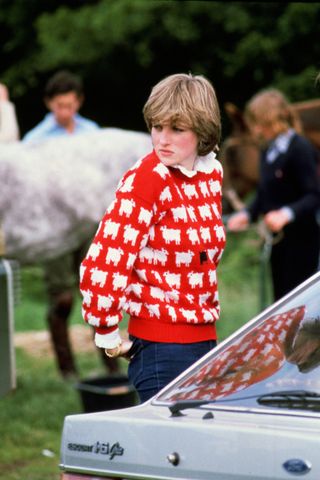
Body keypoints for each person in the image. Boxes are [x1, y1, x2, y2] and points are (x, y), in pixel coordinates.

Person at [80, 72, 226, 403]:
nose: (162, 139)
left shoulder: (211, 173)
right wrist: (107, 332)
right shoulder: (147, 178)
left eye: (176, 129)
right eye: (157, 127)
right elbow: (105, 259)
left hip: (205, 342)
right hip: (160, 349)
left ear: (202, 131)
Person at [22, 70, 119, 379]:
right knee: (62, 298)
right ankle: (68, 372)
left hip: (88, 224)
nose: (65, 111)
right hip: (54, 227)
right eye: (59, 105)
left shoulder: (93, 134)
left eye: (70, 104)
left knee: (98, 293)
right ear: (49, 104)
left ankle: (112, 365)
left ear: (78, 102)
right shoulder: (34, 141)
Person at [227, 88, 320, 301]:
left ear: (271, 120)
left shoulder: (301, 148)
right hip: (280, 244)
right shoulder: (268, 150)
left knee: (298, 303)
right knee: (280, 299)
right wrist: (247, 214)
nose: (256, 129)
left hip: (302, 243)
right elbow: (265, 193)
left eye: (258, 122)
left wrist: (285, 214)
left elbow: (314, 195)